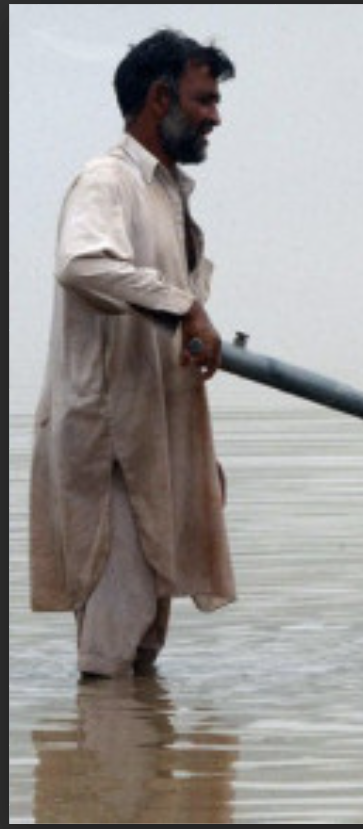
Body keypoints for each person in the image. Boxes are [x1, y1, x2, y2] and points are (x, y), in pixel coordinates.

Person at [29, 29, 237, 678]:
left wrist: (204, 458)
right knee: (111, 650)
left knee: (144, 646)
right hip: (110, 446)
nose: (214, 116)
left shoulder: (170, 194)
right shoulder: (108, 181)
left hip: (161, 440)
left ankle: (135, 776)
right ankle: (101, 771)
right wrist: (184, 307)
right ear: (159, 97)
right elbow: (82, 263)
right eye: (203, 100)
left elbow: (172, 337)